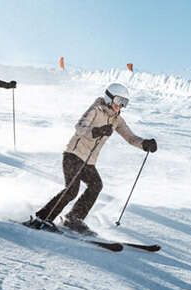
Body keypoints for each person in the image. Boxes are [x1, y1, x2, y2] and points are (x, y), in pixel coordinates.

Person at [29, 82, 157, 234]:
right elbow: (80, 127)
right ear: (109, 98)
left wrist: (144, 144)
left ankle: (73, 218)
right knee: (71, 190)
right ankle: (42, 217)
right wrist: (97, 131)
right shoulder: (96, 110)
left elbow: (130, 137)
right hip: (73, 155)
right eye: (118, 101)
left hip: (88, 161)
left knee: (96, 185)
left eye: (124, 103)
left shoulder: (117, 120)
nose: (120, 106)